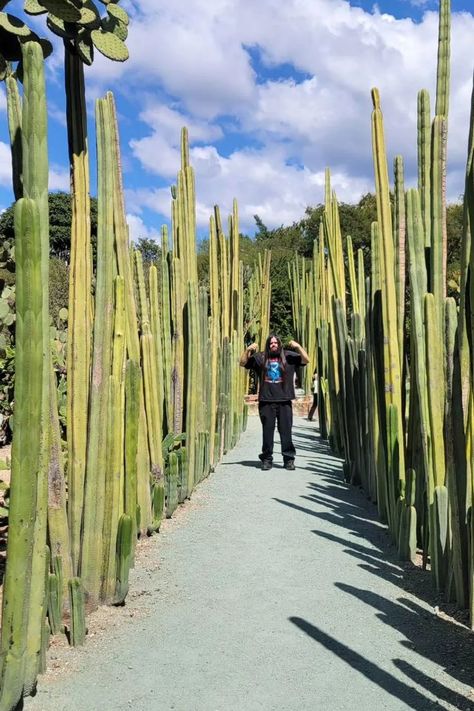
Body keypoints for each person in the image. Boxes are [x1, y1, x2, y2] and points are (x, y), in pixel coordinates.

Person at [239, 333, 309, 470]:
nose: (273, 345)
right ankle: (266, 459)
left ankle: (288, 459)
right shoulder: (260, 357)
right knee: (267, 432)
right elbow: (242, 363)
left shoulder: (288, 356)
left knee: (286, 432)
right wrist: (248, 350)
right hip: (266, 401)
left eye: (276, 342)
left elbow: (306, 360)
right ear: (268, 344)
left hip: (285, 401)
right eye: (271, 343)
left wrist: (298, 347)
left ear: (279, 344)